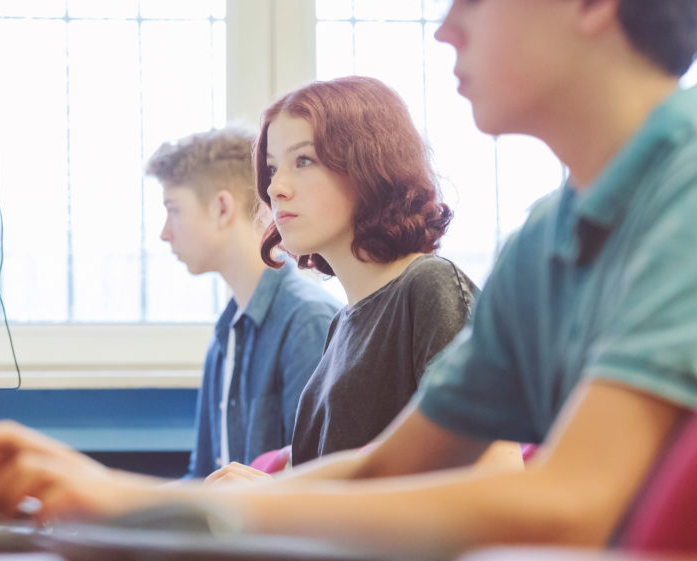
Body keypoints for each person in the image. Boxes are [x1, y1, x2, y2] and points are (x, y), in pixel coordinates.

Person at [0, 0, 697, 553]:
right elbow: (387, 466)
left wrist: (174, 516)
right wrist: (143, 500)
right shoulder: (550, 240)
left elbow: (572, 499)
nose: (443, 28)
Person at [206, 76, 505, 484]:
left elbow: (492, 481)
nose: (276, 187)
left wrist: (283, 499)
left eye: (303, 161)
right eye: (272, 168)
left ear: (370, 166)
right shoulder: (342, 326)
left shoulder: (431, 286)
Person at [144, 128, 340, 478]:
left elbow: (313, 482)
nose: (164, 232)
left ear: (222, 208)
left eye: (173, 210)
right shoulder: (226, 334)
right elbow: (202, 479)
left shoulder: (307, 320)